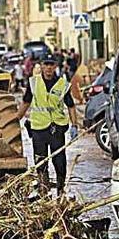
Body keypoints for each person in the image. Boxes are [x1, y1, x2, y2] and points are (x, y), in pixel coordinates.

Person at [17, 54, 78, 196]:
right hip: (38, 129)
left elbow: (71, 105)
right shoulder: (33, 83)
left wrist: (74, 125)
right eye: (46, 64)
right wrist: (15, 120)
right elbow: (26, 103)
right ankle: (43, 190)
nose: (49, 68)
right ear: (41, 66)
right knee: (40, 161)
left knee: (59, 161)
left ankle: (61, 190)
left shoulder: (62, 84)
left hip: (56, 128)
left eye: (51, 64)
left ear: (56, 66)